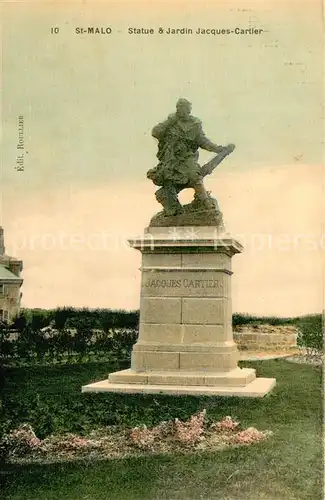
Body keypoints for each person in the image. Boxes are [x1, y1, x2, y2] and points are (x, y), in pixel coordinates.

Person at [147, 98, 224, 216]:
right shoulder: (171, 122)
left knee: (194, 176)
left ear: (188, 110)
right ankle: (173, 210)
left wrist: (217, 149)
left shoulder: (195, 124)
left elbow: (203, 141)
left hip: (187, 157)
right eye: (179, 108)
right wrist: (171, 121)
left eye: (185, 109)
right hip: (171, 159)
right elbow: (156, 132)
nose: (182, 111)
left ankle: (205, 201)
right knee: (169, 183)